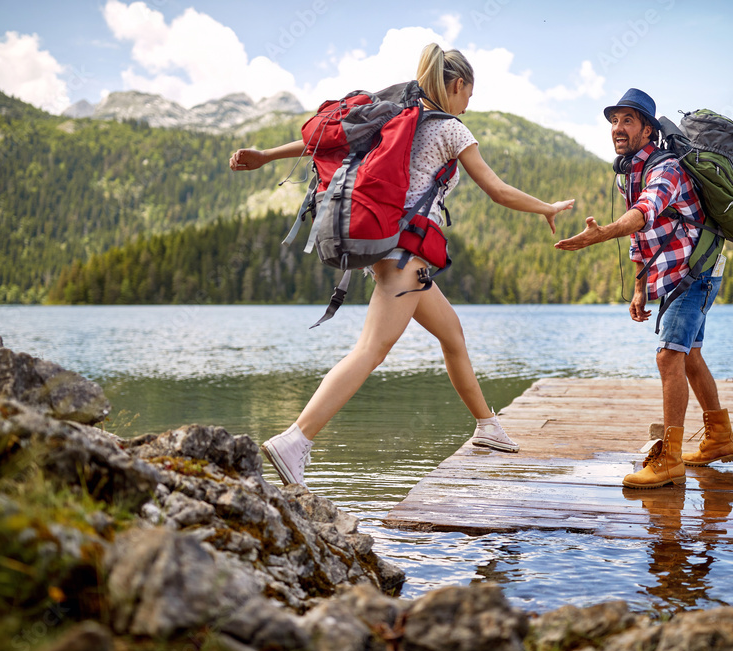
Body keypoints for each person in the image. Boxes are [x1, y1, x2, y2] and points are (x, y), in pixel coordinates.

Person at [230, 43, 574, 488]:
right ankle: (296, 439)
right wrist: (545, 207)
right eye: (469, 93)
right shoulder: (452, 130)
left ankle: (487, 426)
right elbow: (498, 190)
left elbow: (324, 139)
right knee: (371, 350)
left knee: (452, 334)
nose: (469, 103)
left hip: (397, 254)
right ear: (456, 85)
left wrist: (265, 156)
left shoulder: (396, 116)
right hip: (405, 257)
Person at [554, 88, 733, 489]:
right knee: (689, 354)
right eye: (613, 121)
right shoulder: (629, 173)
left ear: (647, 129)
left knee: (668, 356)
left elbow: (645, 213)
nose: (617, 128)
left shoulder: (666, 168)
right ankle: (720, 438)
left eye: (627, 120)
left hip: (696, 271)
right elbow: (640, 239)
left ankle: (670, 459)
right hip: (682, 273)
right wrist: (640, 287)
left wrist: (602, 233)